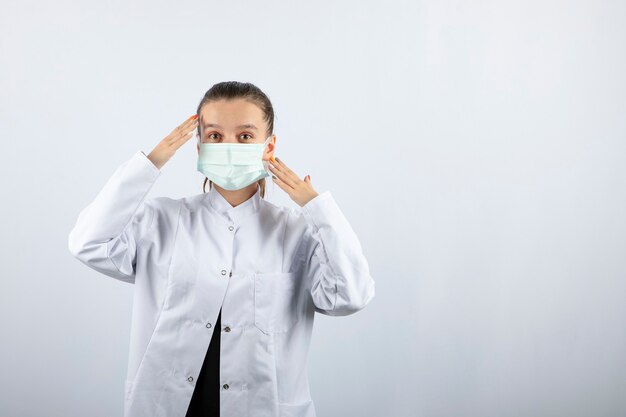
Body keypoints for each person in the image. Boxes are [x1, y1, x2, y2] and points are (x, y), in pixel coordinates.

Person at [68, 81, 376, 417]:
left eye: (245, 136)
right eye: (215, 136)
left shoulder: (297, 232)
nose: (229, 146)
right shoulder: (162, 220)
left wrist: (317, 208)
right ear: (198, 147)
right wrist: (151, 163)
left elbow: (351, 295)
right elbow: (88, 241)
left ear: (269, 146)